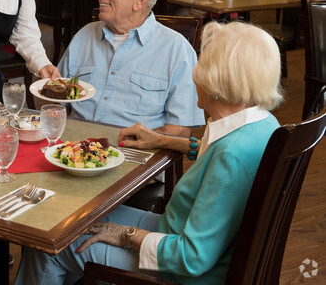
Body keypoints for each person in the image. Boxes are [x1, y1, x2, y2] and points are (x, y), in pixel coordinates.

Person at [15, 21, 284, 285]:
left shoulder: (231, 156)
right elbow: (215, 157)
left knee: (47, 242)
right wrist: (162, 139)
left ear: (218, 81)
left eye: (202, 64)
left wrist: (127, 235)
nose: (195, 74)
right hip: (178, 230)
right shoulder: (262, 125)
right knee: (68, 219)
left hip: (176, 269)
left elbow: (190, 259)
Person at [57, 0, 205, 137]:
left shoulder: (176, 50)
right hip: (71, 147)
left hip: (134, 153)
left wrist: (133, 142)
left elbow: (181, 128)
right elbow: (56, 98)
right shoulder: (84, 36)